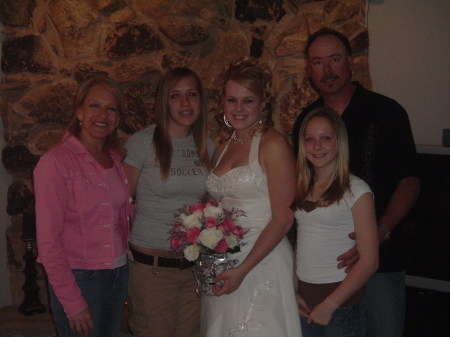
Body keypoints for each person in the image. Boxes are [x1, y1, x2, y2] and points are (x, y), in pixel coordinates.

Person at [292, 27, 420, 337]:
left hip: (379, 258)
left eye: (334, 59)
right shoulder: (307, 120)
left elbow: (410, 180)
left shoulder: (387, 112)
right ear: (309, 70)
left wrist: (380, 230)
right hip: (323, 270)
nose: (327, 69)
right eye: (318, 62)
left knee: (381, 329)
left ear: (351, 62)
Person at [201, 58, 302, 337]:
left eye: (248, 101)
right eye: (232, 100)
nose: (238, 109)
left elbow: (283, 218)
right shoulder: (223, 145)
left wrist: (243, 269)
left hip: (262, 260)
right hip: (225, 258)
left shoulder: (274, 145)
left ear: (263, 103)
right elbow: (218, 203)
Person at [34, 74, 132, 337]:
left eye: (111, 108)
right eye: (94, 106)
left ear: (118, 118)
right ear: (79, 111)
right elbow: (48, 241)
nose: (103, 115)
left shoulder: (114, 159)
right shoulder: (56, 161)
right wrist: (73, 302)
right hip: (80, 279)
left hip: (118, 272)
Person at [124, 67, 213, 337]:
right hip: (152, 271)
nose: (185, 103)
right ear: (165, 101)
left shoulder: (208, 147)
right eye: (176, 96)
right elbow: (119, 203)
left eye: (192, 95)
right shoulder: (141, 143)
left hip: (194, 271)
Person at [294, 107, 379, 336]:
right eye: (309, 139)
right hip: (304, 301)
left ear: (339, 141)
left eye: (325, 138)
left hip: (341, 304)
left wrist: (329, 305)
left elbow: (370, 261)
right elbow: (299, 243)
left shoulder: (357, 190)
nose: (317, 146)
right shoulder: (301, 187)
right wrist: (294, 290)